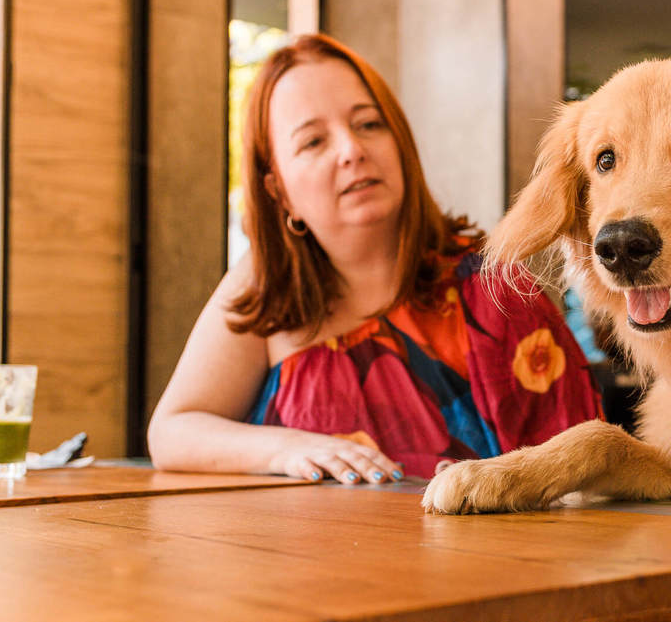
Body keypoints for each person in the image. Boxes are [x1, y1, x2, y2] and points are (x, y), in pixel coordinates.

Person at [148, 34, 601, 483]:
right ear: (278, 191)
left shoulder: (496, 292)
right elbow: (172, 431)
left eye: (368, 124)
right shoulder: (265, 284)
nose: (352, 150)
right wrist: (288, 447)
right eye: (313, 142)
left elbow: (584, 479)